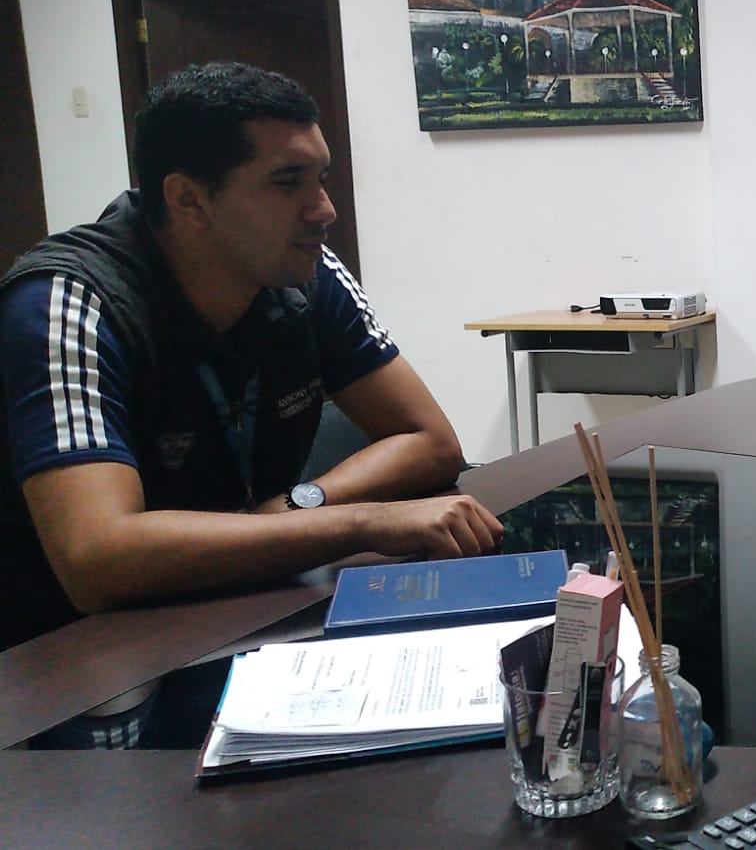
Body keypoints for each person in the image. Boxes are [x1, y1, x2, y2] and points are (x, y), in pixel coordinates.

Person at [0, 62, 503, 671]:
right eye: (288, 183)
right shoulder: (65, 302)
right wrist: (362, 522)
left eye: (321, 179)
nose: (324, 210)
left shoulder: (306, 273)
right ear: (188, 199)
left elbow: (429, 441)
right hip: (72, 666)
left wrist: (305, 502)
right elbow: (97, 559)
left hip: (241, 612)